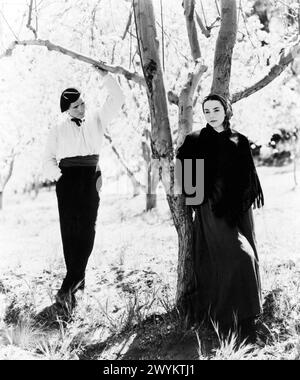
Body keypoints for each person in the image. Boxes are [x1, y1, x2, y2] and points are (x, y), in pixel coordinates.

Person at [176, 93, 264, 342]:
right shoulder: (195, 140)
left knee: (248, 258)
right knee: (240, 258)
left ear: (226, 110)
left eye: (216, 109)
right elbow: (183, 166)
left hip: (239, 209)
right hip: (212, 209)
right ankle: (225, 320)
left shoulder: (240, 139)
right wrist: (197, 198)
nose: (211, 114)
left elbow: (249, 176)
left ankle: (246, 322)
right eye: (207, 111)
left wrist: (239, 198)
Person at [42, 67, 125, 311]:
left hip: (91, 177)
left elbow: (118, 98)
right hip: (68, 180)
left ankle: (71, 283)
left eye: (82, 103)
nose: (82, 108)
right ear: (67, 110)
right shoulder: (57, 130)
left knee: (88, 230)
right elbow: (47, 160)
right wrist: (60, 177)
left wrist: (105, 76)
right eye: (76, 106)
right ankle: (75, 284)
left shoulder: (98, 119)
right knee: (70, 232)